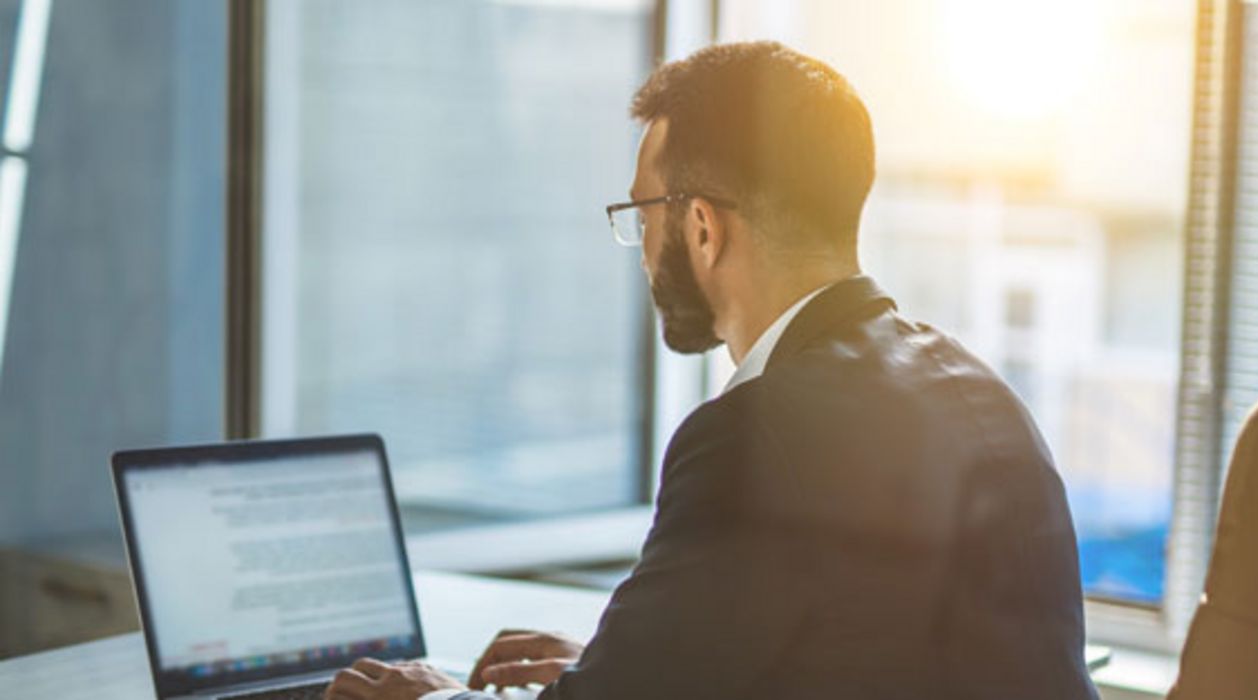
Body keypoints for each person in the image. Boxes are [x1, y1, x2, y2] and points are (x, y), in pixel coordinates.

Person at [325, 41, 1099, 700]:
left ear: (701, 227)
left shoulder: (753, 434)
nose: (640, 248)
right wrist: (619, 665)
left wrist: (434, 697)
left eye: (643, 216)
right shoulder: (976, 390)